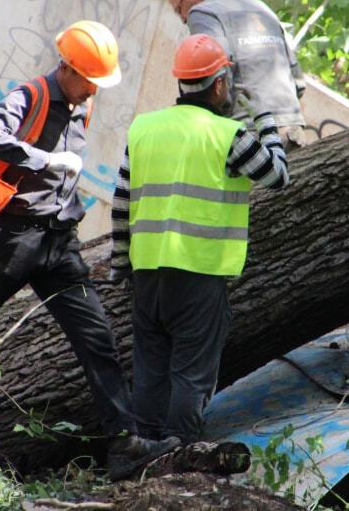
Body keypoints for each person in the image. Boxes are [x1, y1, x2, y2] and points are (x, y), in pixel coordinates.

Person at [0, 20, 177, 480]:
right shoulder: (31, 95)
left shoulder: (82, 104)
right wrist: (44, 159)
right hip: (17, 241)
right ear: (68, 67)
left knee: (97, 340)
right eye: (91, 80)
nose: (94, 91)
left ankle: (125, 443)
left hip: (59, 244)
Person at [109, 33, 290, 443]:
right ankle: (179, 459)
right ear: (221, 85)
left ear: (180, 82)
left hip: (147, 277)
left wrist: (121, 265)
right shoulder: (229, 136)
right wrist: (264, 119)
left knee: (150, 374)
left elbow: (120, 202)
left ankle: (145, 453)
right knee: (190, 378)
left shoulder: (144, 129)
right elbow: (279, 175)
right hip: (199, 279)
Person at [166, 0, 308, 150]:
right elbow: (298, 81)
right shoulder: (261, 7)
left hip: (251, 132)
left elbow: (217, 71)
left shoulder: (203, 12)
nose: (183, 19)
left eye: (179, 10)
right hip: (293, 130)